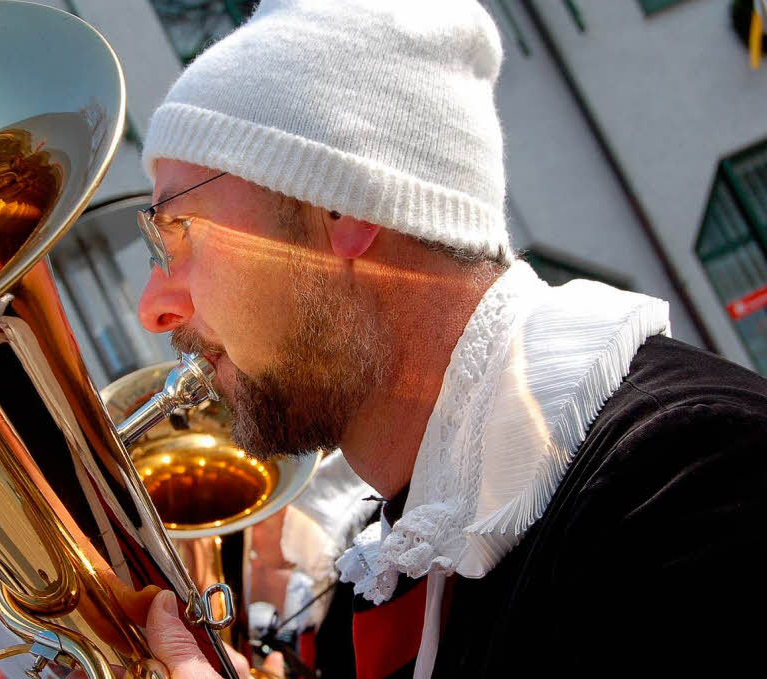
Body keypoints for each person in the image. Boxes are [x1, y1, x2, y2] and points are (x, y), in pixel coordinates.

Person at [98, 1, 767, 678]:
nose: (155, 305)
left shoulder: (693, 472)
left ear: (342, 200)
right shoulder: (386, 569)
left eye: (177, 228)